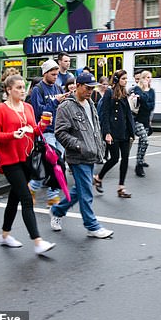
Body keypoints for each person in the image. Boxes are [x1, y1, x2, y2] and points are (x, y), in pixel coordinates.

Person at [0, 74, 56, 255]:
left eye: (23, 87)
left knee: (14, 198)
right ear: (8, 90)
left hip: (27, 158)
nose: (22, 90)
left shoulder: (27, 107)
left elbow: (34, 130)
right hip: (10, 160)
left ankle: (4, 236)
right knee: (26, 198)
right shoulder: (0, 109)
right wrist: (13, 135)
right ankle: (37, 241)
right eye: (18, 87)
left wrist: (43, 124)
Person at [50, 73, 113, 239]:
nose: (90, 91)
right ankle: (92, 226)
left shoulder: (90, 102)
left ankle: (57, 210)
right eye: (87, 87)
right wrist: (79, 146)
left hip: (91, 153)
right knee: (86, 191)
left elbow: (95, 126)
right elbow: (60, 132)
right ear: (78, 85)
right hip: (78, 156)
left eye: (92, 88)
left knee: (80, 189)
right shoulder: (66, 106)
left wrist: (98, 145)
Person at [29, 59, 68, 206]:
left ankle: (35, 187)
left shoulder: (58, 88)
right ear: (45, 73)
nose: (55, 77)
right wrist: (55, 102)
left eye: (57, 74)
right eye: (53, 74)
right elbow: (38, 111)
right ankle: (52, 195)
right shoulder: (38, 90)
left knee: (57, 162)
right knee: (55, 161)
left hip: (59, 130)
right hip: (46, 132)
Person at [95, 70, 136, 198]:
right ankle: (99, 177)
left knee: (125, 159)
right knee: (114, 158)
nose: (126, 81)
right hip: (112, 131)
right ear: (117, 79)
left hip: (124, 131)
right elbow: (105, 113)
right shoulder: (109, 92)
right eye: (123, 78)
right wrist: (106, 132)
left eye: (126, 78)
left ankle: (121, 188)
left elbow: (128, 114)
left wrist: (132, 132)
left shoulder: (125, 93)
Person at [131, 70, 155, 177]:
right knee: (145, 140)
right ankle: (139, 164)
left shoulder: (152, 91)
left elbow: (151, 106)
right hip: (136, 120)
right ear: (142, 78)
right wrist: (145, 92)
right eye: (147, 77)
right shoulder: (137, 89)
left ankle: (139, 164)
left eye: (150, 77)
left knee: (142, 143)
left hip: (145, 121)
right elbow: (145, 101)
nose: (149, 79)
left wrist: (144, 99)